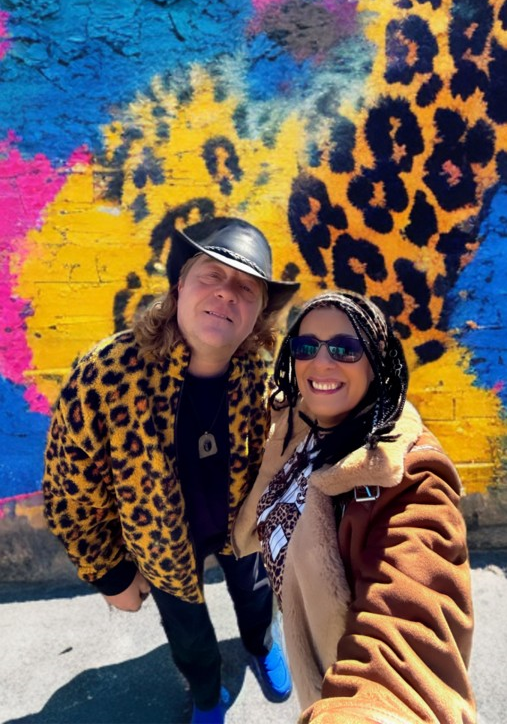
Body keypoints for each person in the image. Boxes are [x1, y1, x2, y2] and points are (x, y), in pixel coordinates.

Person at [43, 216, 300, 724]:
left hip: (240, 529)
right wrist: (110, 573)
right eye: (212, 275)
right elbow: (69, 489)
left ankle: (260, 643)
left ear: (258, 313)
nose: (226, 293)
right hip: (160, 545)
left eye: (246, 287)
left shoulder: (258, 373)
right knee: (188, 632)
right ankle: (206, 694)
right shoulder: (107, 375)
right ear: (180, 285)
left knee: (256, 596)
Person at [233, 290, 476, 724]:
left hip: (342, 690)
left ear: (377, 363)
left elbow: (410, 639)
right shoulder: (299, 419)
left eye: (345, 349)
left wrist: (364, 713)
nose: (322, 362)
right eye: (307, 346)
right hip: (311, 664)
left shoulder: (409, 477)